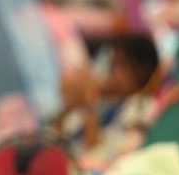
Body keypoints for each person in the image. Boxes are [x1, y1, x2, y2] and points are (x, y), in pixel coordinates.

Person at [60, 31, 161, 165]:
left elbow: (96, 156)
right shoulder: (107, 100)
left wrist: (89, 104)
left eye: (119, 65)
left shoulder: (141, 108)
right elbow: (59, 131)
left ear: (141, 71)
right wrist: (72, 101)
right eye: (112, 65)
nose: (111, 74)